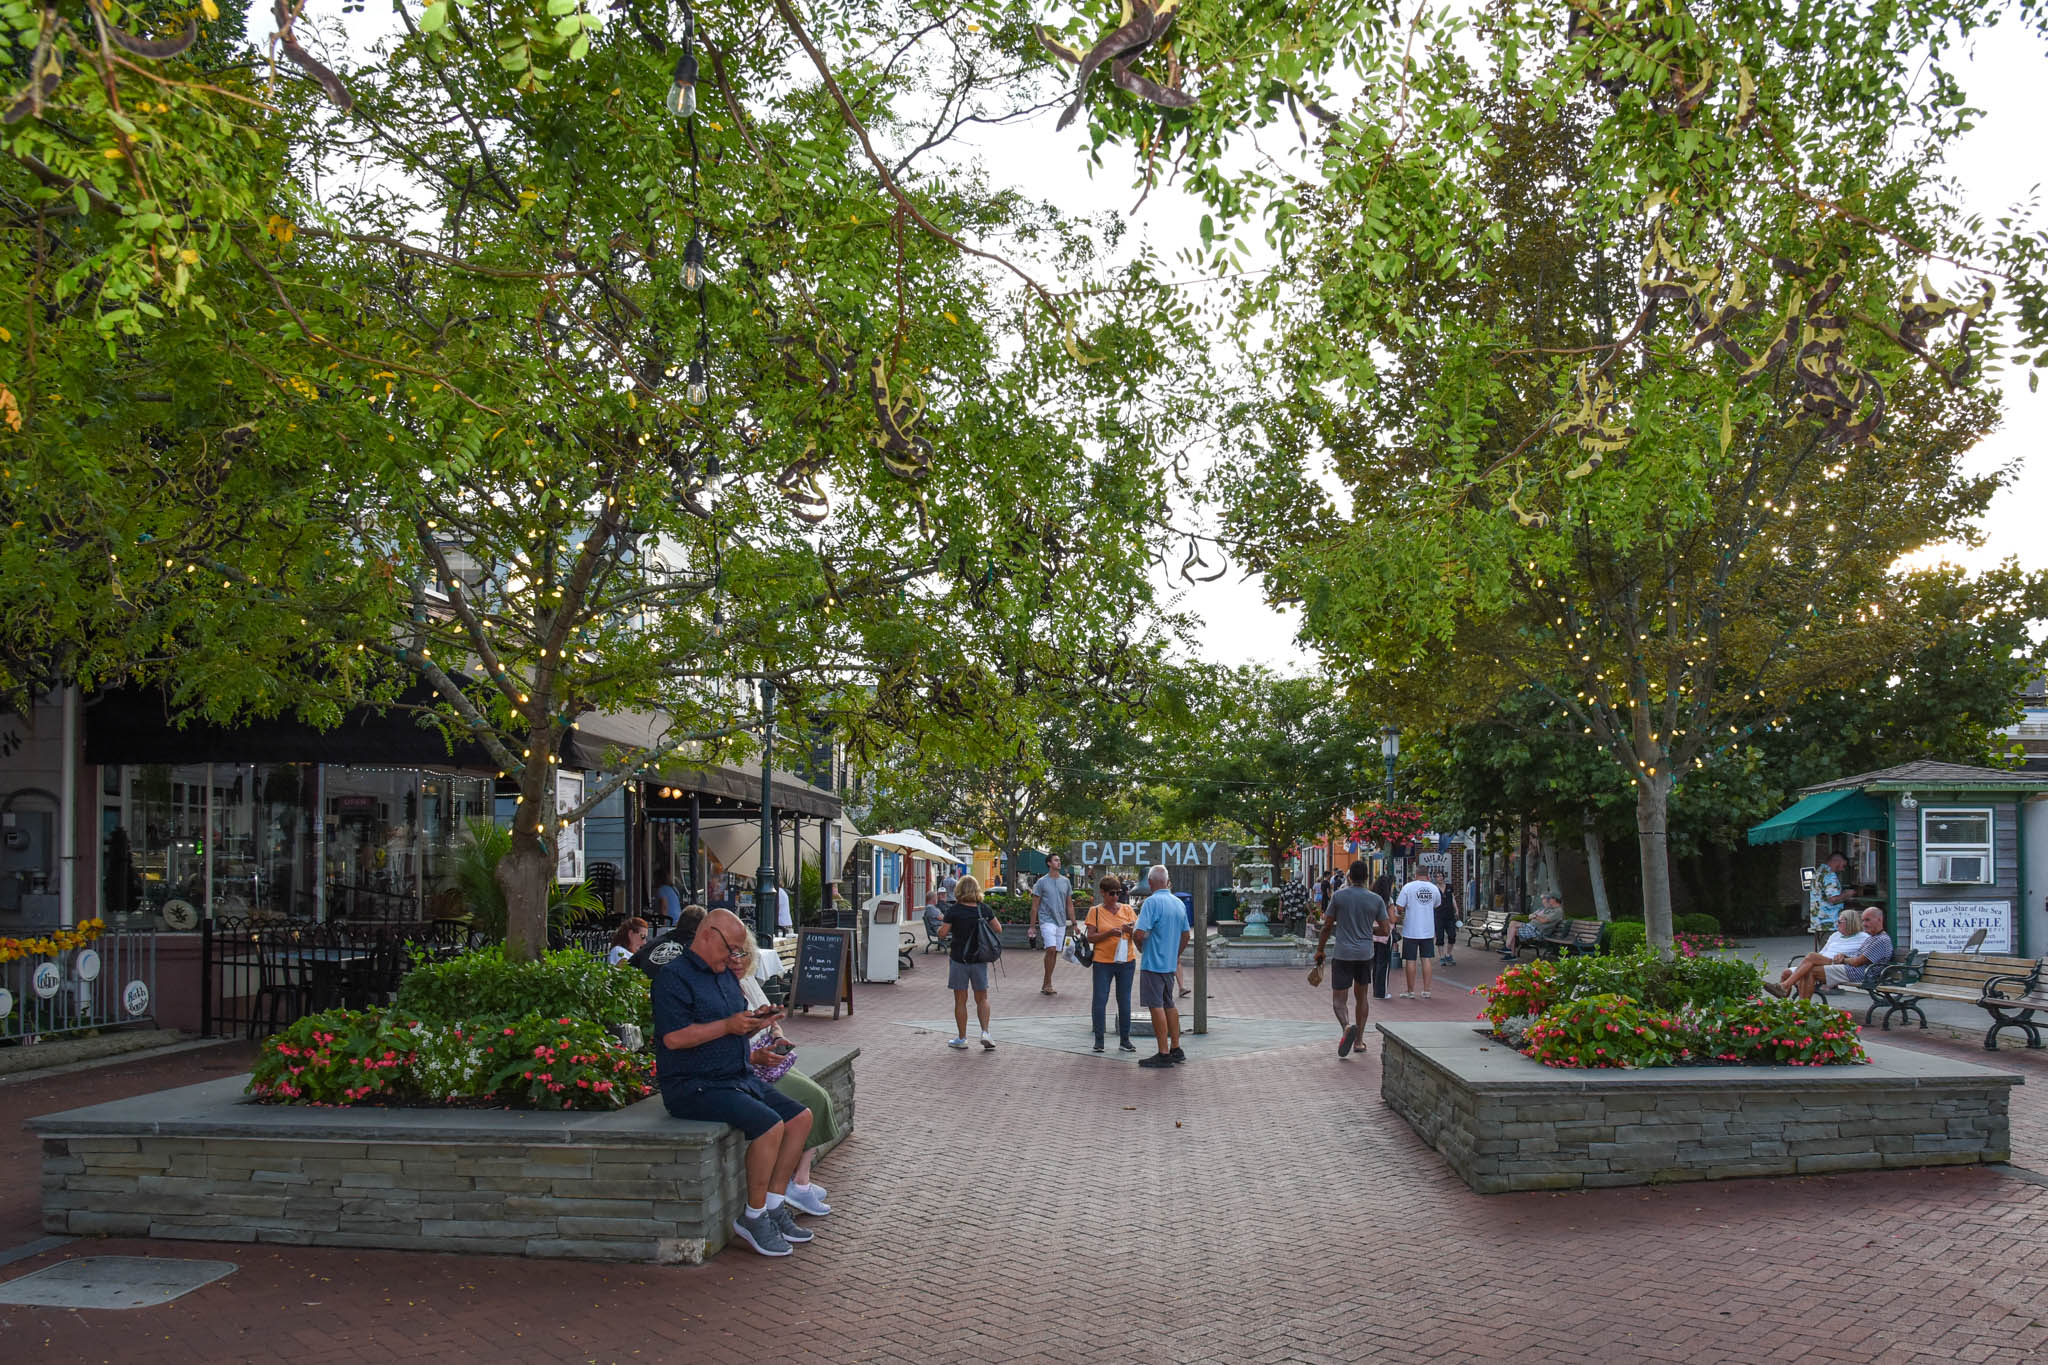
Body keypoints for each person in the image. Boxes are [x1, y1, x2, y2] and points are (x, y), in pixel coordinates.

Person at [653, 908, 814, 1258]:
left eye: (739, 951)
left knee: (800, 1118)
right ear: (709, 934)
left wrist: (757, 1022)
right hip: (694, 1084)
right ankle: (753, 1217)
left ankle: (773, 1206)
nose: (735, 957)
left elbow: (732, 1025)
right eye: (732, 948)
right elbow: (674, 1039)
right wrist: (728, 1027)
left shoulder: (725, 974)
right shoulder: (673, 977)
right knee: (770, 1126)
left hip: (736, 1075)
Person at [729, 937, 837, 1217]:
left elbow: (770, 1019)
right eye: (731, 954)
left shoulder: (748, 981)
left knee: (817, 1099)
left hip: (769, 1057)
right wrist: (754, 1055)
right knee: (812, 1101)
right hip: (752, 1067)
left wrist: (777, 1035)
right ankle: (796, 1184)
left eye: (743, 954)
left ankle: (798, 1180)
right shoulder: (721, 989)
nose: (738, 960)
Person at [1313, 860, 1387, 1058]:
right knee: (1361, 996)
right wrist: (1367, 930)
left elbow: (1327, 926)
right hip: (1365, 954)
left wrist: (1320, 950)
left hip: (1343, 953)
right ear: (1366, 878)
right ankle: (1360, 1041)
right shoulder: (1376, 899)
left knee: (1339, 999)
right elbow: (1385, 929)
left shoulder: (1339, 897)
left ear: (1349, 877)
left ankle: (1346, 1026)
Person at [1134, 865, 1192, 1069]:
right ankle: (1176, 1047)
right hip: (1169, 964)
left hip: (1153, 963)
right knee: (1169, 1004)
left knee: (1155, 1005)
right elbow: (1186, 935)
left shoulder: (1151, 902)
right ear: (1167, 881)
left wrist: (1139, 946)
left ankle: (1163, 1052)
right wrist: (1176, 954)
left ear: (1150, 883)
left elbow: (1139, 932)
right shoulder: (1178, 903)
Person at [1770, 906, 1892, 1000]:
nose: (1864, 924)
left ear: (1879, 919)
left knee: (1811, 963)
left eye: (1868, 920)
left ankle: (1793, 997)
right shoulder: (1872, 937)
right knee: (1810, 965)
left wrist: (1843, 959)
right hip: (1852, 968)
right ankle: (1799, 1005)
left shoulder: (1880, 940)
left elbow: (1857, 962)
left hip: (1860, 973)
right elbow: (1856, 959)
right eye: (1863, 920)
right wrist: (1844, 957)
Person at [940, 873, 1000, 1051]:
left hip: (959, 959)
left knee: (960, 999)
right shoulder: (983, 909)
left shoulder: (954, 910)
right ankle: (985, 1032)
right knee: (982, 998)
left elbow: (943, 933)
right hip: (979, 958)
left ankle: (962, 1038)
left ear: (958, 890)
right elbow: (998, 928)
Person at [1084, 874, 1139, 1053]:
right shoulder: (1096, 911)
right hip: (1103, 962)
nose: (1115, 897)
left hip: (1126, 961)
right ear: (1103, 893)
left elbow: (1138, 933)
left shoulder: (1127, 910)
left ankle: (1125, 1039)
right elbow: (1090, 937)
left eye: (1118, 893)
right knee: (1100, 999)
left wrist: (1129, 930)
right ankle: (1099, 1040)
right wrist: (1108, 934)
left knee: (1124, 1000)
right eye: (1111, 894)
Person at [1393, 869, 1443, 999]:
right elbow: (1437, 904)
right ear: (1428, 875)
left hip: (1411, 929)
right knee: (1426, 959)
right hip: (1427, 930)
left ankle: (1411, 991)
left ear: (1415, 874)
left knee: (1410, 960)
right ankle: (1427, 990)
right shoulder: (1433, 888)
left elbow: (1399, 906)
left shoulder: (1408, 887)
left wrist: (1405, 910)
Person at [1030, 853, 1075, 996]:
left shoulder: (1065, 882)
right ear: (1049, 863)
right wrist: (1032, 926)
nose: (1059, 862)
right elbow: (1035, 906)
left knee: (1054, 952)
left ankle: (1046, 982)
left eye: (1059, 860)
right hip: (1046, 920)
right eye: (1056, 860)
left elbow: (1069, 905)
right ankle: (1048, 982)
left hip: (1061, 921)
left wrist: (1074, 923)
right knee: (1051, 948)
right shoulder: (1041, 882)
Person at [1501, 892, 1566, 961]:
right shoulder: (1551, 909)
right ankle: (1510, 952)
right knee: (1512, 926)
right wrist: (1535, 915)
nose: (1548, 900)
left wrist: (1535, 916)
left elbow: (1544, 920)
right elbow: (1539, 914)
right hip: (1532, 926)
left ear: (1554, 900)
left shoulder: (1558, 911)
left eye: (1549, 898)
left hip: (1538, 931)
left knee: (1512, 929)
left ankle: (1509, 951)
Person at [1808, 851, 1850, 940]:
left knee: (1823, 951)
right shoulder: (1829, 875)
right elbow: (1833, 899)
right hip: (1829, 922)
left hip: (1818, 921)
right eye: (1843, 866)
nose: (1843, 869)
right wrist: (1846, 894)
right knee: (1829, 952)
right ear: (1837, 861)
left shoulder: (1819, 871)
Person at [1370, 874, 1397, 999]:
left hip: (1373, 933)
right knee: (1384, 964)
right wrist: (1398, 917)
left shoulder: (1372, 898)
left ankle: (1376, 989)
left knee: (1375, 964)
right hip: (1385, 934)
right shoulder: (1388, 901)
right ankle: (1382, 992)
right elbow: (1392, 919)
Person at [1435, 875, 1461, 966]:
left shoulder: (1449, 887)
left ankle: (1448, 954)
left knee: (1452, 935)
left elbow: (1453, 898)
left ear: (1443, 877)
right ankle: (1442, 957)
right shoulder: (1434, 889)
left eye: (1441, 876)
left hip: (1450, 915)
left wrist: (1456, 909)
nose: (1439, 878)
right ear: (1435, 878)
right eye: (1437, 877)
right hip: (1439, 915)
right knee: (1440, 936)